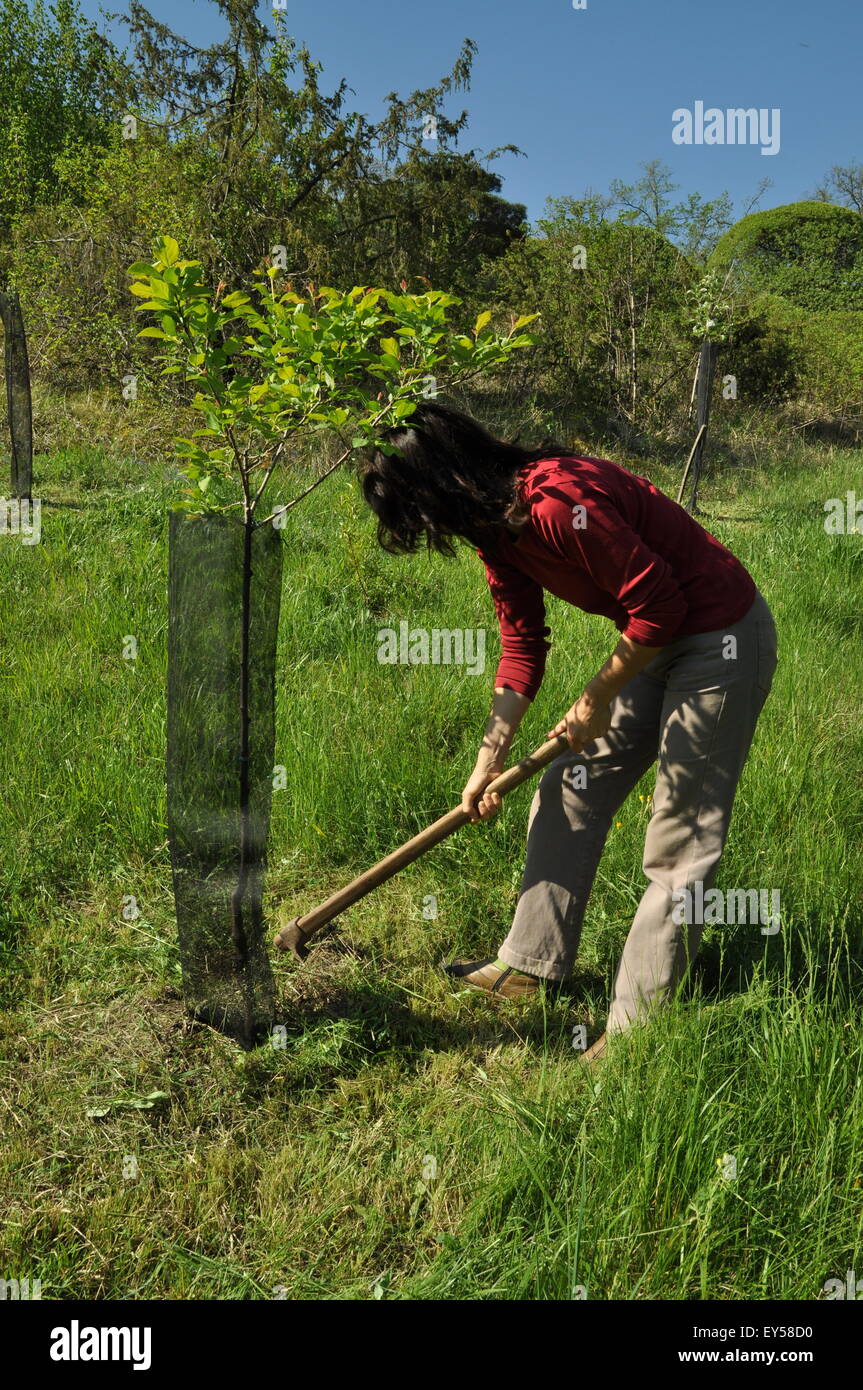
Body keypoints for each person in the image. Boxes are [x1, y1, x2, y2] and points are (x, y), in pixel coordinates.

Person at [358, 400, 777, 1063]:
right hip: (654, 641)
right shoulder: (495, 529)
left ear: (446, 481)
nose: (428, 528)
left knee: (681, 837)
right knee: (569, 787)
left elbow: (660, 602)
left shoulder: (556, 501)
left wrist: (597, 696)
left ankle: (639, 1032)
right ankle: (530, 966)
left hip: (719, 638)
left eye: (421, 510)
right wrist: (485, 760)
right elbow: (521, 642)